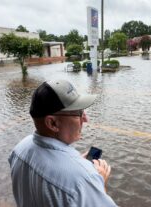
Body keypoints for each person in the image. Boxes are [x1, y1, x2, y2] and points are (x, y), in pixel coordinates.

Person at [8, 79, 117, 207]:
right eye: (78, 113)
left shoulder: (19, 149)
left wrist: (75, 162)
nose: (85, 118)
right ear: (52, 123)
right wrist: (99, 186)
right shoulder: (84, 180)